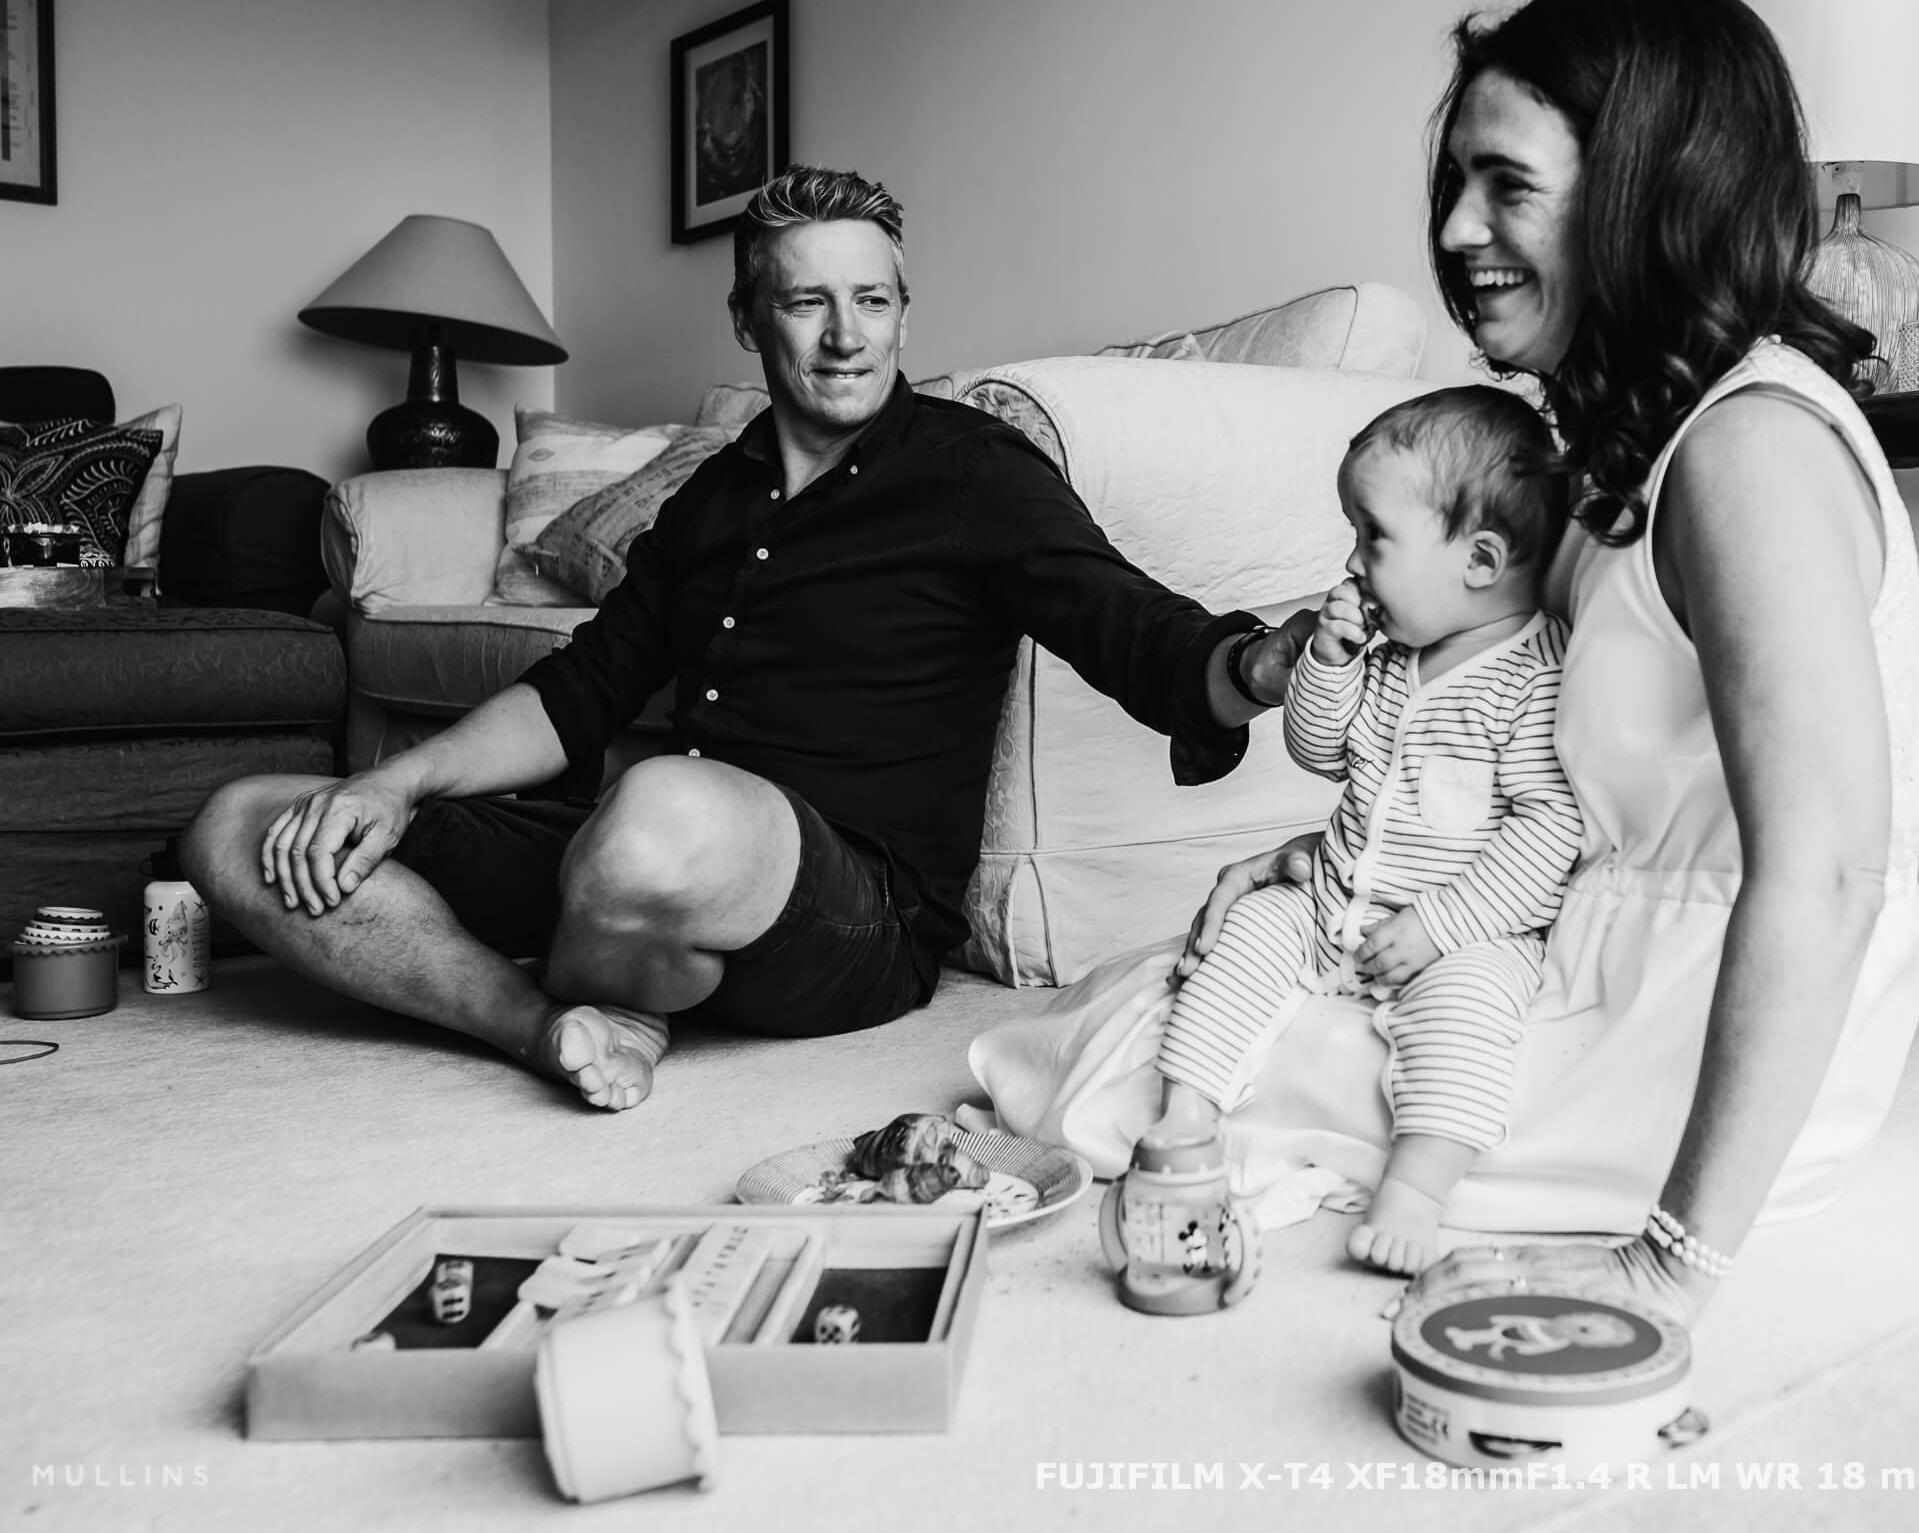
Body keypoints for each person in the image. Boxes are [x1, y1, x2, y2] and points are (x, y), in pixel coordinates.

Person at [183, 166, 1308, 1112]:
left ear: (905, 312)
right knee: (245, 824)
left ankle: (608, 957)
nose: (844, 335)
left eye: (871, 300)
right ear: (747, 318)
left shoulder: (972, 469)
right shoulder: (710, 498)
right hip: (638, 859)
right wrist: (397, 785)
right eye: (806, 302)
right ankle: (544, 1022)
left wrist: (1254, 663)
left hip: (850, 911)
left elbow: (1127, 620)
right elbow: (584, 687)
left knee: (658, 815)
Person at [1175, 0, 1919, 1320]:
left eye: (1506, 185)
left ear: (1652, 194)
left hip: (1699, 1042)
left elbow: (1826, 875)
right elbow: (1541, 772)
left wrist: (1672, 1263)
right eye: (1453, 185)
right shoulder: (1623, 457)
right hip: (1599, 955)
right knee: (1204, 982)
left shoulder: (1752, 449)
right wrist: (1343, 852)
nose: (1458, 229)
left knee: (1126, 1062)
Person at [1153, 386, 1580, 1276]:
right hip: (1334, 897)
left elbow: (1548, 829)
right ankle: (1186, 1110)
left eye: (1373, 537)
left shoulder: (1532, 678)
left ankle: (1416, 1191)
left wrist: (1442, 927)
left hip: (1459, 930)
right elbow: (1317, 750)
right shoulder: (1389, 660)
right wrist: (1328, 658)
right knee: (1248, 933)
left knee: (1472, 1014)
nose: (1350, 563)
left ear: (1481, 557)